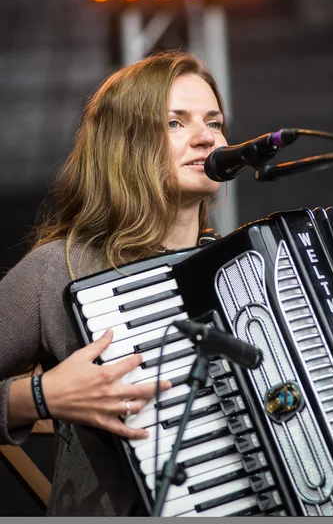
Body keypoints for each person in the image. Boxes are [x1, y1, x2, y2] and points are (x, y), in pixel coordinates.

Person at [0, 50, 228, 515]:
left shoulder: (240, 268)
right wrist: (41, 396)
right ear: (124, 144)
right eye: (175, 123)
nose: (208, 138)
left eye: (215, 122)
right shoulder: (59, 267)